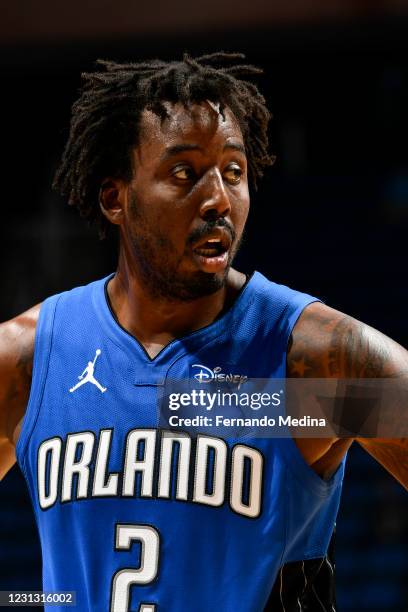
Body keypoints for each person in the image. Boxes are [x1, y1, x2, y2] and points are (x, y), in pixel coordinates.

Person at [0, 52, 406, 612]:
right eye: (184, 173)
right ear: (116, 199)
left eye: (234, 172)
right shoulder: (28, 362)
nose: (219, 198)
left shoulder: (314, 363)